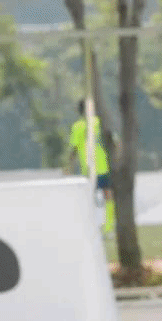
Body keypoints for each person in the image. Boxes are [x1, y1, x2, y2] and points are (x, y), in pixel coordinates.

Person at [68, 99, 114, 234]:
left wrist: (69, 166)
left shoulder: (77, 127)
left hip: (88, 169)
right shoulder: (100, 123)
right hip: (104, 166)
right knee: (108, 195)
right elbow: (113, 142)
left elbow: (73, 150)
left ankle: (91, 226)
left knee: (88, 198)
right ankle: (109, 226)